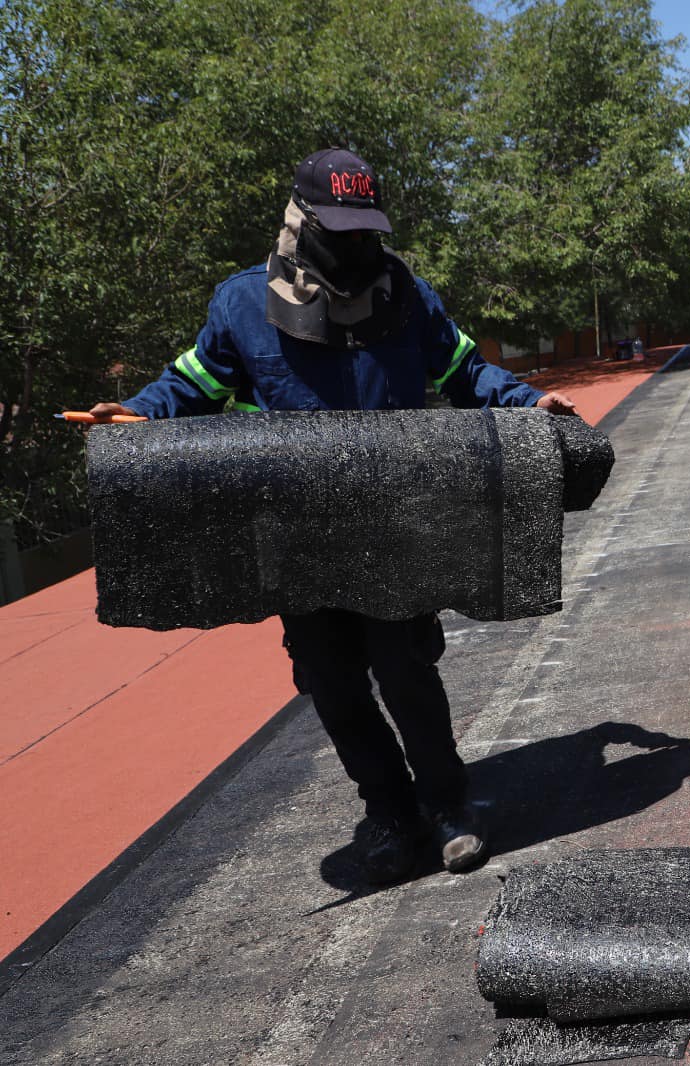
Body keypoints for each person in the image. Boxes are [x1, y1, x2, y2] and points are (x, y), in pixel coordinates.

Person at [90, 148, 576, 885]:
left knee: (405, 671)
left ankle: (447, 807)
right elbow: (191, 384)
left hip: (395, 526)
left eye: (365, 229)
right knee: (335, 681)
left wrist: (527, 400)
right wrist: (134, 416)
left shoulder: (406, 295)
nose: (356, 245)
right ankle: (389, 811)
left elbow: (463, 370)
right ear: (303, 220)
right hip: (296, 536)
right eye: (340, 230)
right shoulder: (243, 304)